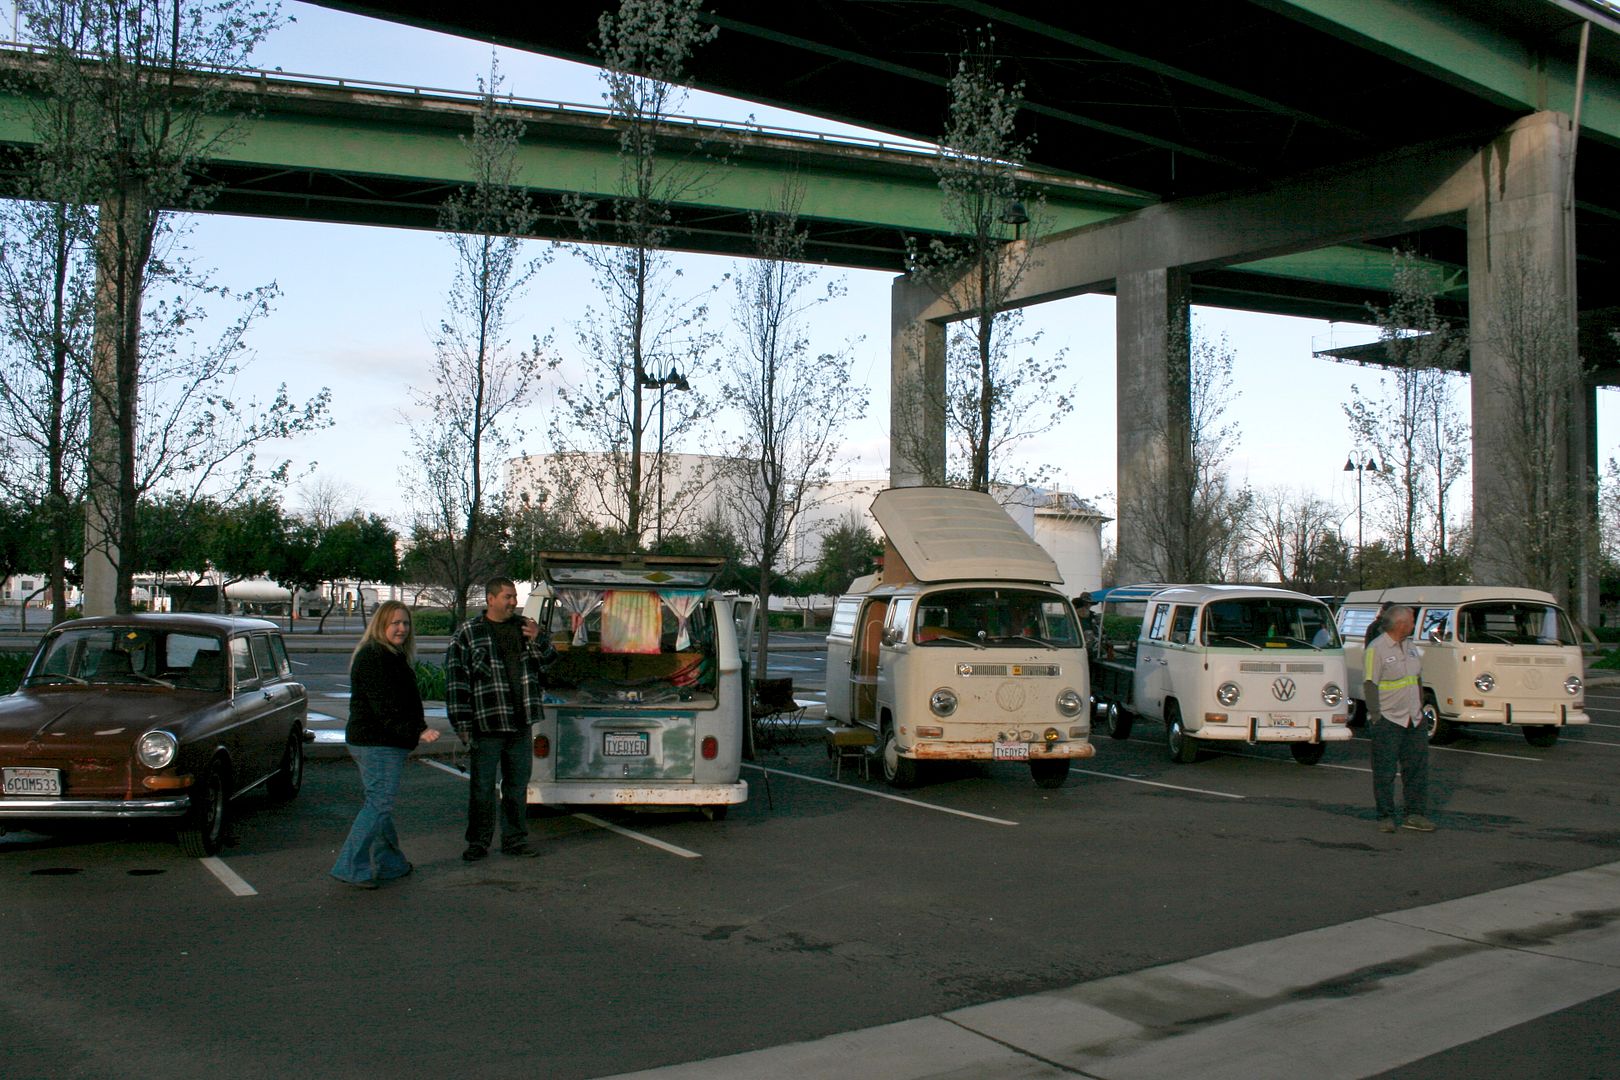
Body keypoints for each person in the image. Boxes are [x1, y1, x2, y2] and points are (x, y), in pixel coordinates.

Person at [331, 601, 440, 889]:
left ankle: (391, 863)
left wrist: (414, 729)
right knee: (379, 804)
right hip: (377, 743)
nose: (402, 628)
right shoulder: (375, 657)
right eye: (395, 623)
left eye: (405, 623)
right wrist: (417, 731)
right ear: (381, 625)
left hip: (378, 741)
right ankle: (350, 865)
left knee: (379, 804)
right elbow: (386, 708)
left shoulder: (390, 655)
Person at [446, 576, 556, 861]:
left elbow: (550, 663)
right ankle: (478, 842)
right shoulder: (469, 633)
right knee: (482, 788)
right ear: (490, 599)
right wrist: (461, 723)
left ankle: (515, 840)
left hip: (521, 722)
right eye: (507, 597)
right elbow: (457, 681)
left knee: (517, 787)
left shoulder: (525, 629)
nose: (513, 602)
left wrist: (540, 639)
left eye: (514, 597)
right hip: (488, 723)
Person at [1364, 604, 1434, 833]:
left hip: (1413, 720)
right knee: (1385, 772)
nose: (1415, 625)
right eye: (1412, 621)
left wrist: (1421, 708)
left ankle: (1414, 814)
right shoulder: (1377, 648)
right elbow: (1370, 684)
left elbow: (1417, 678)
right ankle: (1385, 815)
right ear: (1400, 624)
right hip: (1389, 719)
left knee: (1416, 771)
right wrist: (1376, 717)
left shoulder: (1411, 647)